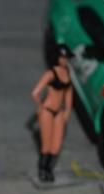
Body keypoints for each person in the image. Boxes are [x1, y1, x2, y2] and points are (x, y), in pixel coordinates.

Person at [31, 44, 74, 182]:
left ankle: (49, 169)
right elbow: (35, 92)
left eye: (67, 58)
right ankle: (42, 170)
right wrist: (40, 107)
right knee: (46, 144)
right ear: (57, 58)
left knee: (56, 146)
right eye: (63, 57)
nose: (65, 60)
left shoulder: (67, 73)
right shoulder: (50, 74)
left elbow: (68, 93)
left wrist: (67, 111)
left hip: (59, 112)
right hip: (47, 111)